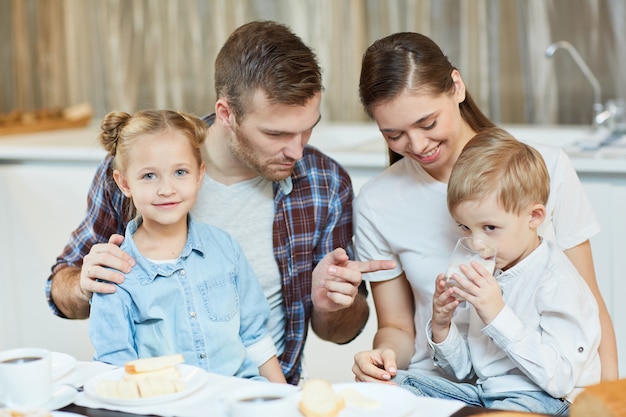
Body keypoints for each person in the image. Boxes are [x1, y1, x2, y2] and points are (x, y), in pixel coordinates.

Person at [46, 21, 395, 385]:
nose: (297, 150)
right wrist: (85, 284)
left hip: (260, 396)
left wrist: (330, 303)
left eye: (307, 128)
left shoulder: (325, 183)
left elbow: (339, 332)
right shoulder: (141, 167)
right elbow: (60, 290)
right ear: (226, 113)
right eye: (275, 133)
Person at [352, 31, 617, 383]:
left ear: (457, 87)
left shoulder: (545, 168)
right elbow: (397, 328)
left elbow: (589, 305)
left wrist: (612, 398)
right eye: (393, 134)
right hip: (443, 384)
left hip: (539, 386)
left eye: (428, 123)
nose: (416, 145)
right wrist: (382, 356)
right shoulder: (377, 202)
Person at [395, 127, 601, 414]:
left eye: (490, 228)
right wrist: (442, 326)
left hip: (546, 401)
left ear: (534, 217)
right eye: (465, 228)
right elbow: (465, 371)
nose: (477, 244)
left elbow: (560, 379)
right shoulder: (491, 273)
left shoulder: (557, 281)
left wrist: (497, 313)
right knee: (393, 385)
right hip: (487, 394)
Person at [89, 109, 285, 383]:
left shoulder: (226, 249)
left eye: (180, 172)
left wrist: (285, 401)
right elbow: (117, 372)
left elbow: (255, 338)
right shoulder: (114, 276)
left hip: (239, 399)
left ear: (199, 175)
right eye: (149, 176)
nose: (166, 189)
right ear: (124, 183)